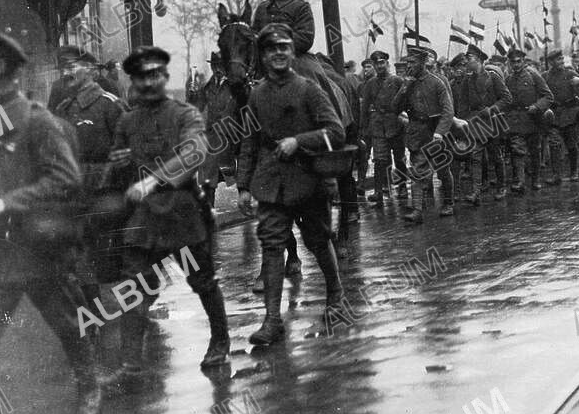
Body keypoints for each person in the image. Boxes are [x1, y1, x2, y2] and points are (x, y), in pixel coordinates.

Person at [0, 26, 100, 414]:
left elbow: (66, 179)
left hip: (37, 248)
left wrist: (8, 202)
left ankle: (90, 386)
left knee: (68, 325)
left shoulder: (38, 122)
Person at [101, 46, 230, 391]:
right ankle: (130, 366)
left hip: (183, 214)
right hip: (143, 221)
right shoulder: (127, 121)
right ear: (134, 82)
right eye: (141, 77)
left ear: (165, 77)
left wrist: (153, 180)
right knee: (133, 288)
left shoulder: (186, 114)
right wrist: (118, 166)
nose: (149, 82)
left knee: (202, 281)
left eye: (155, 75)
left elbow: (194, 153)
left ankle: (220, 341)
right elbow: (119, 168)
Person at [237, 24, 346, 343]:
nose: (279, 53)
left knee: (318, 239)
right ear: (263, 55)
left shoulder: (308, 89)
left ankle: (336, 294)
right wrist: (243, 185)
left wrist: (299, 141)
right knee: (272, 244)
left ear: (292, 51)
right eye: (272, 49)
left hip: (308, 178)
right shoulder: (257, 94)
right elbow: (249, 141)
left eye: (284, 47)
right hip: (271, 182)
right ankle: (272, 319)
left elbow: (335, 132)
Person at [53, 47, 128, 307]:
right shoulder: (63, 110)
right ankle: (96, 315)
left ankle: (123, 316)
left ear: (91, 70)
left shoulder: (110, 105)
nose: (67, 73)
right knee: (81, 260)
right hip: (75, 196)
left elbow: (129, 150)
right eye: (63, 68)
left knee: (109, 263)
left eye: (73, 66)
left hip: (107, 198)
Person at [393, 45, 455, 223]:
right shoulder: (408, 84)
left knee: (443, 170)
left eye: (412, 62)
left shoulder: (437, 82)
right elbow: (395, 108)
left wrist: (440, 132)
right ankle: (417, 210)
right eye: (408, 63)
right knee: (417, 170)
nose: (409, 66)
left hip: (435, 132)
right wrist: (404, 87)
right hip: (417, 132)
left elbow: (448, 111)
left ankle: (449, 203)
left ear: (422, 63)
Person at [457, 44, 512, 204]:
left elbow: (507, 98)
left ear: (479, 60)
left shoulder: (493, 77)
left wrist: (492, 109)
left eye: (470, 58)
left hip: (493, 121)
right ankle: (476, 192)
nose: (467, 62)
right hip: (476, 122)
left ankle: (501, 187)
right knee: (475, 156)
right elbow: (462, 105)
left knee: (496, 155)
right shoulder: (467, 80)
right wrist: (464, 122)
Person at [360, 50, 408, 207]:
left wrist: (404, 118)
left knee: (399, 158)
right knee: (380, 160)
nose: (379, 66)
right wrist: (364, 129)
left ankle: (402, 187)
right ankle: (378, 192)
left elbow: (405, 103)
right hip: (378, 126)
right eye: (376, 63)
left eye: (382, 63)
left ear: (387, 63)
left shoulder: (397, 81)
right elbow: (365, 107)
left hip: (396, 124)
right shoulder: (370, 84)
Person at [504, 47, 553, 193]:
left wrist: (537, 107)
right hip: (515, 121)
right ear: (510, 63)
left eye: (519, 61)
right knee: (517, 150)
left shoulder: (533, 75)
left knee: (534, 151)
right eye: (513, 62)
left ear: (523, 61)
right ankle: (519, 181)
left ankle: (536, 179)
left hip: (533, 119)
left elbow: (548, 96)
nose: (516, 65)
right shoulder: (508, 79)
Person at [544, 49, 579, 183]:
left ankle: (574, 171)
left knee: (571, 143)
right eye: (558, 59)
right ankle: (556, 175)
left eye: (562, 58)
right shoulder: (545, 76)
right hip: (554, 114)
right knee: (554, 144)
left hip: (569, 114)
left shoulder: (570, 73)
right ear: (551, 62)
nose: (561, 61)